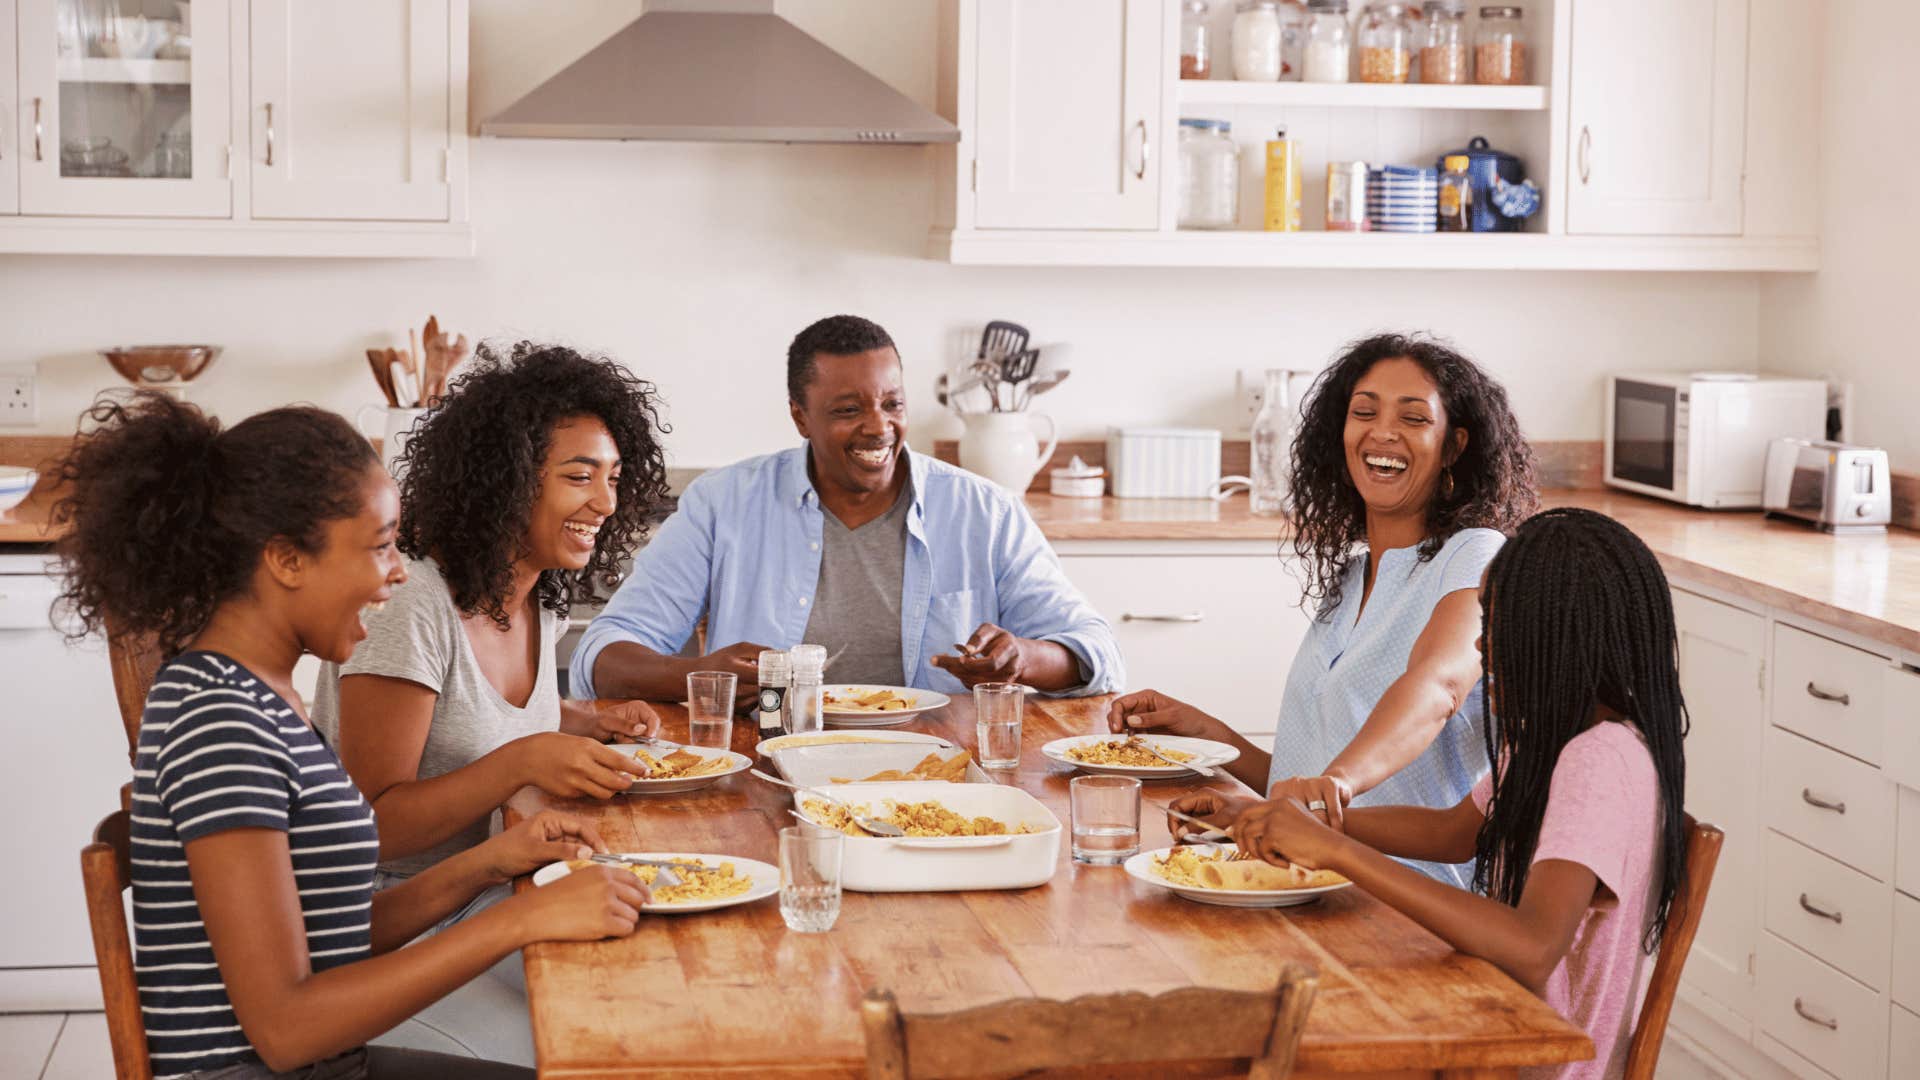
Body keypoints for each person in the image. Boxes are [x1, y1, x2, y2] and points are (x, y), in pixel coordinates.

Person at [51, 395, 647, 1080]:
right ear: (286, 559)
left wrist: (490, 862)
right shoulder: (219, 721)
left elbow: (330, 935)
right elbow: (285, 1029)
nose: (399, 572)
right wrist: (516, 922)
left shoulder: (261, 695)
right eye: (379, 546)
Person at [1173, 508, 1691, 1080]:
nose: (1479, 643)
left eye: (1495, 624)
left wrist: (1335, 850)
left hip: (1524, 1063)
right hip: (1490, 1025)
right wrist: (1288, 817)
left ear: (1557, 638)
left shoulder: (1599, 762)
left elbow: (1532, 946)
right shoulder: (1557, 740)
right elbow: (1455, 832)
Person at [1109, 334, 1537, 885]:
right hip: (1311, 883)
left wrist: (1336, 782)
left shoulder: (1475, 555)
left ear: (1453, 447)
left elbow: (1440, 687)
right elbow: (1307, 791)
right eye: (1364, 412)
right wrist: (1208, 735)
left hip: (1408, 903)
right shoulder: (1352, 579)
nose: (1382, 432)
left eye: (1413, 419)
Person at [572, 314, 1121, 702]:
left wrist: (1022, 658)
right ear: (800, 417)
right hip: (769, 767)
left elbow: (1097, 653)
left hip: (942, 773)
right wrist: (696, 676)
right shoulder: (724, 504)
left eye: (892, 403)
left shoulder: (984, 511)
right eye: (848, 409)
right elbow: (600, 657)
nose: (879, 427)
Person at [314, 342, 673, 882]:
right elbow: (373, 826)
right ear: (507, 481)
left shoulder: (535, 590)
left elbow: (467, 717)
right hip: (396, 911)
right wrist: (524, 761)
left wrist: (588, 722)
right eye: (580, 477)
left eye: (614, 478)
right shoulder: (410, 602)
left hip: (498, 882)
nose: (607, 502)